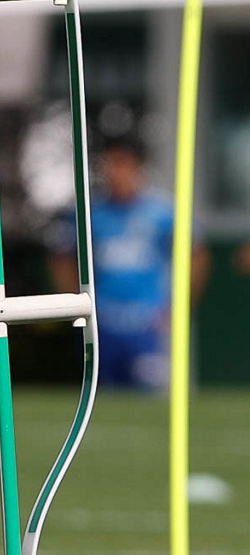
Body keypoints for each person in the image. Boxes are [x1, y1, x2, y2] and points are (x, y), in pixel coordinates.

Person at [49, 132, 207, 389]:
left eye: (122, 163)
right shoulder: (90, 213)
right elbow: (61, 259)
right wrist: (76, 307)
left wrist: (178, 308)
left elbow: (197, 255)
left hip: (147, 327)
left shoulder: (162, 212)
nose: (115, 172)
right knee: (100, 399)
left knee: (150, 398)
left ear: (137, 166)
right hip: (103, 325)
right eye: (110, 163)